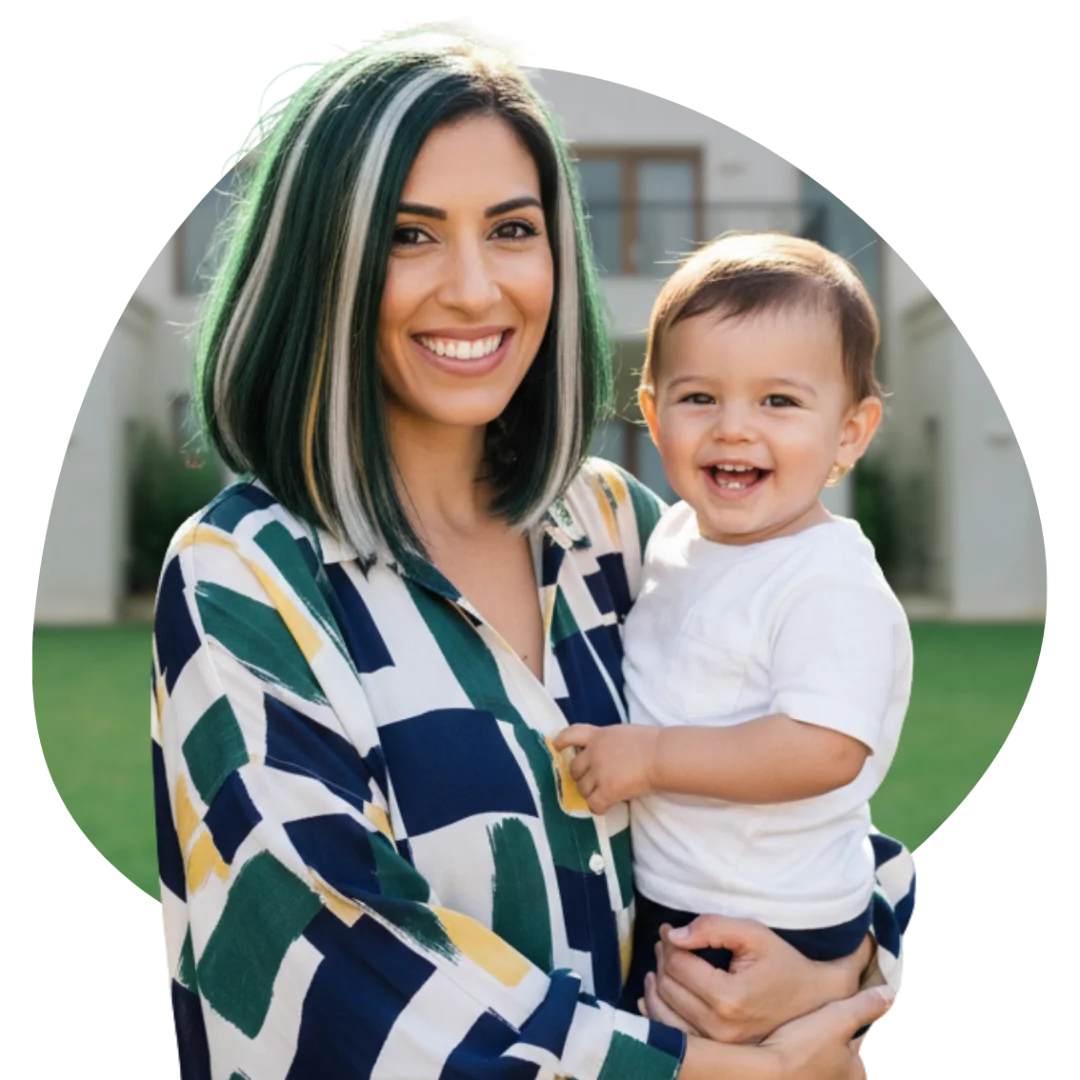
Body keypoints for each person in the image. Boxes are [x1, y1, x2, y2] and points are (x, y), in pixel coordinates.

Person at [153, 29, 901, 1079]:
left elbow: (808, 797)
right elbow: (322, 956)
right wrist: (706, 1070)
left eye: (512, 228)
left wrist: (843, 963)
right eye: (410, 236)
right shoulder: (247, 574)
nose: (474, 289)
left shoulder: (616, 528)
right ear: (325, 263)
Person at [553, 233, 919, 1016]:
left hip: (771, 915)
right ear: (653, 414)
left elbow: (823, 749)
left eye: (778, 401)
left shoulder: (827, 581)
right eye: (699, 398)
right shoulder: (675, 538)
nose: (733, 428)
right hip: (682, 894)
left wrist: (651, 758)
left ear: (850, 432)